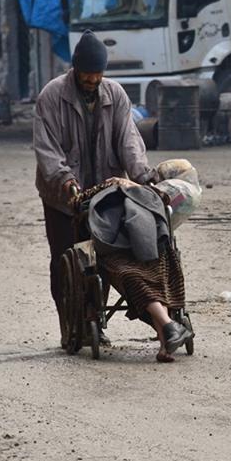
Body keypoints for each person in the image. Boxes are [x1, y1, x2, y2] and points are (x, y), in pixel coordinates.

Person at [33, 30, 190, 358]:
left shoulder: (115, 94)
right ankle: (71, 325)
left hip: (106, 195)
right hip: (63, 197)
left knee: (105, 257)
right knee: (65, 260)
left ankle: (100, 321)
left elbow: (129, 141)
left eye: (98, 74)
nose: (93, 80)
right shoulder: (52, 96)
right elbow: (47, 150)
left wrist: (142, 177)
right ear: (75, 68)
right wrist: (65, 181)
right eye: (87, 74)